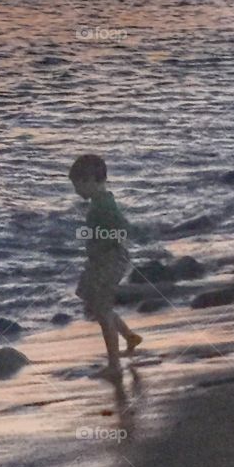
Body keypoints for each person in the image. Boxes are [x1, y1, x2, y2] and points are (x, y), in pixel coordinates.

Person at [69, 153, 142, 379]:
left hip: (110, 260)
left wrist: (106, 241)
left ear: (90, 180)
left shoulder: (102, 206)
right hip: (101, 260)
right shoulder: (101, 202)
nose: (76, 191)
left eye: (78, 185)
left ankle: (114, 364)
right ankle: (128, 336)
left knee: (102, 309)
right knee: (92, 298)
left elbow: (123, 227)